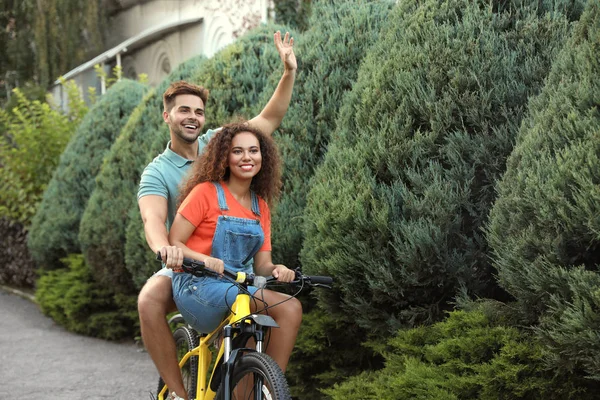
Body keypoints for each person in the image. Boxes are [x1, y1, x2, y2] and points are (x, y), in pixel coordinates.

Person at [137, 31, 297, 400]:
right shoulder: (158, 171)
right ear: (167, 116)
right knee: (149, 299)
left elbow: (269, 118)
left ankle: (260, 385)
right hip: (187, 258)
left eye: (198, 111)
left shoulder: (222, 143)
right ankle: (178, 393)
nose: (192, 117)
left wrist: (288, 71)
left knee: (274, 307)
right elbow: (153, 220)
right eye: (184, 110)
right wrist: (167, 250)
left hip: (235, 264)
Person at [169, 122, 299, 378]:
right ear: (224, 157)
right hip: (197, 285)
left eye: (254, 150)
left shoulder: (259, 207)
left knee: (285, 311)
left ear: (263, 156)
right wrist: (205, 260)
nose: (247, 157)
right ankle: (268, 382)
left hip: (239, 287)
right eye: (237, 151)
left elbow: (262, 266)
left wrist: (278, 270)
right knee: (287, 307)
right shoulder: (204, 193)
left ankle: (268, 383)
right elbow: (174, 242)